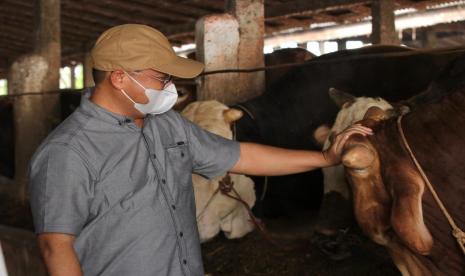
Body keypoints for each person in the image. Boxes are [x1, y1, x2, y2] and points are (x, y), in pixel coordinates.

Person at [28, 24, 372, 276]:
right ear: (119, 78)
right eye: (162, 78)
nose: (170, 87)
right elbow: (55, 246)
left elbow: (241, 156)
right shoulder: (67, 153)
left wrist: (325, 158)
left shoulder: (167, 124)